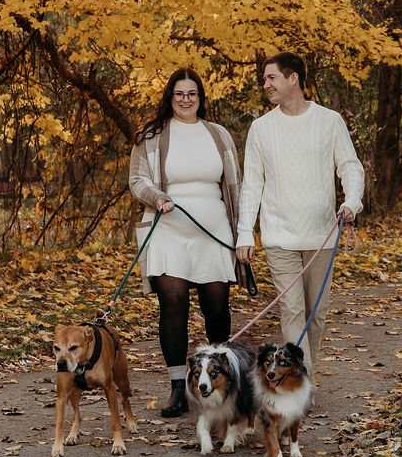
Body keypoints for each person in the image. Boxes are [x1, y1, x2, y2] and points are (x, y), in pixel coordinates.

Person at [236, 52, 364, 376]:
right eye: (265, 79)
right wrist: (245, 232)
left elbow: (350, 167)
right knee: (292, 310)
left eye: (271, 78)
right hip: (279, 236)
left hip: (322, 235)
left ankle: (304, 373)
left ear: (293, 78)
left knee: (315, 314)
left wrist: (351, 202)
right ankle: (302, 385)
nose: (266, 85)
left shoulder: (329, 121)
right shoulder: (261, 128)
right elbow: (251, 184)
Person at [129, 68, 244, 416]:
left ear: (200, 97)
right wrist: (157, 196)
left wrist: (243, 232)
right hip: (169, 231)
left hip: (214, 231)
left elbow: (235, 185)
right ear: (170, 96)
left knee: (216, 306)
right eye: (179, 93)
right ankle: (179, 388)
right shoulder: (151, 136)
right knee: (174, 303)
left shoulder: (218, 135)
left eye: (192, 93)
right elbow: (137, 179)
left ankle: (220, 382)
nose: (185, 99)